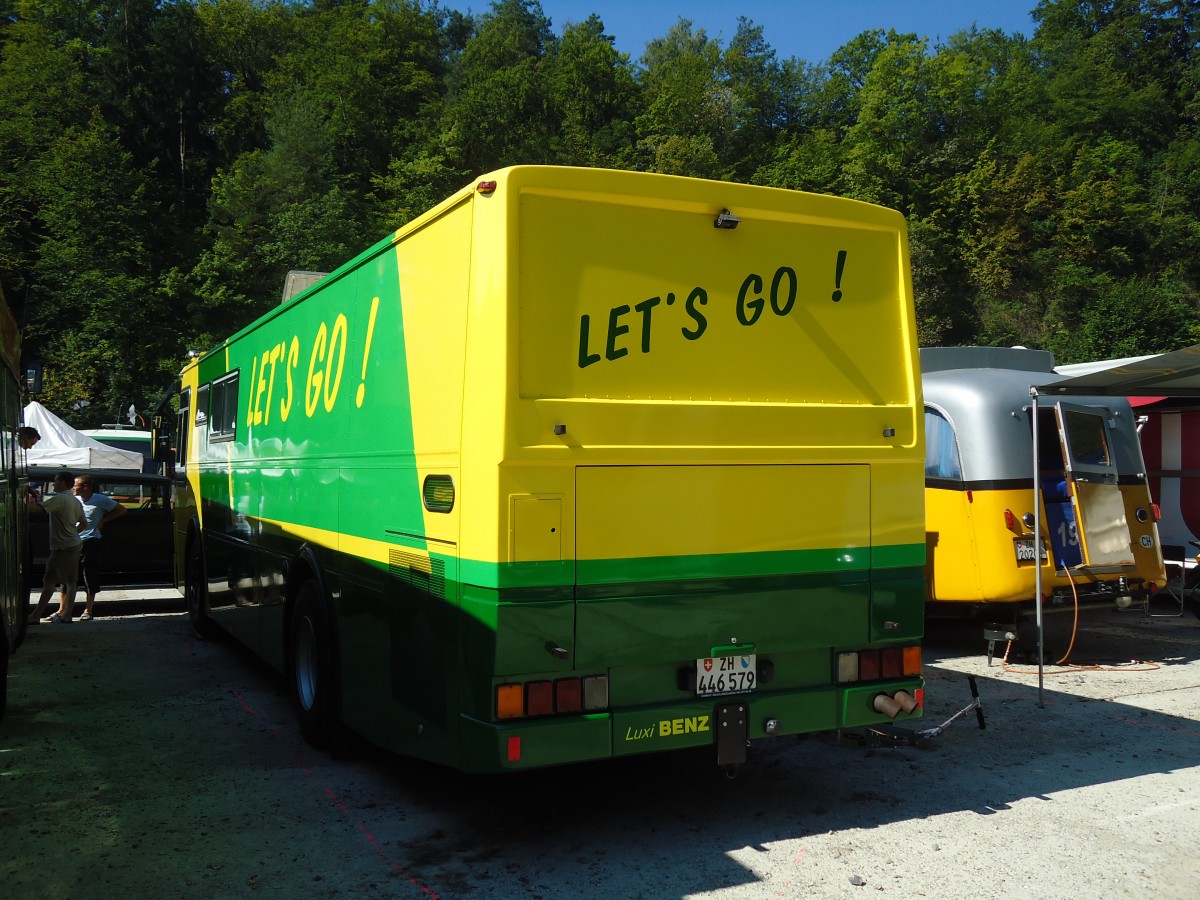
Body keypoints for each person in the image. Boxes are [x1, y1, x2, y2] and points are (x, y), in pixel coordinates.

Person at [27, 471, 87, 624]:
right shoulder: (75, 500)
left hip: (63, 547)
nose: (53, 484)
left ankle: (35, 615)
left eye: (55, 481)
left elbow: (35, 509)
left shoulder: (59, 498)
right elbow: (84, 524)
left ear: (62, 482)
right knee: (71, 582)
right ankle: (67, 614)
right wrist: (72, 533)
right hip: (74, 543)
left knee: (49, 581)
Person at [73, 474, 128, 621]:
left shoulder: (100, 499)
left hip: (91, 539)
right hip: (73, 541)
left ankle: (88, 609)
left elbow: (121, 510)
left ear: (85, 487)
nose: (73, 487)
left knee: (88, 574)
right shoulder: (74, 500)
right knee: (68, 575)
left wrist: (103, 520)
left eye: (76, 485)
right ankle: (63, 609)